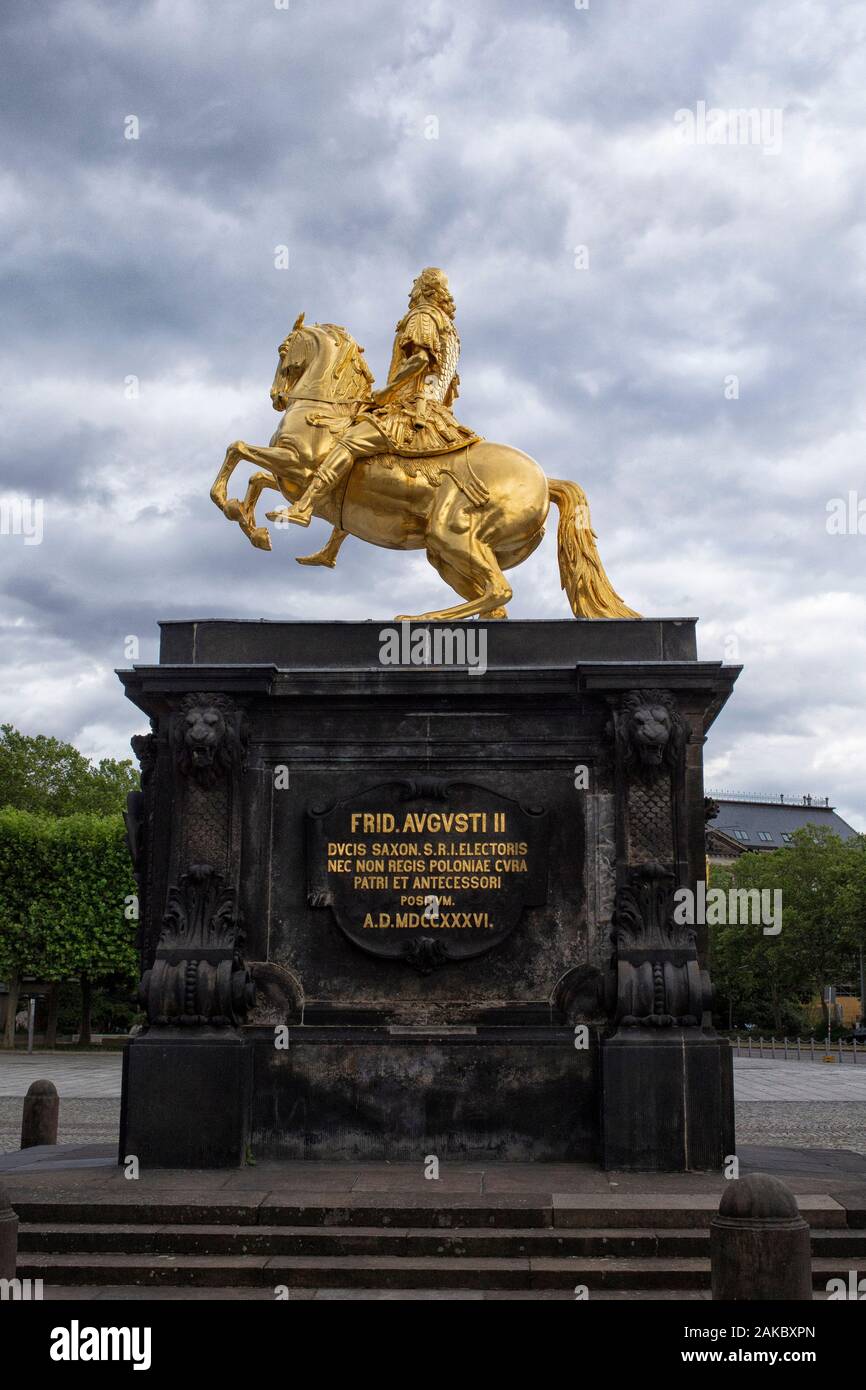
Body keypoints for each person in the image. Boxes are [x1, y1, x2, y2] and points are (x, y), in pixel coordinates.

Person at [284, 267, 484, 526]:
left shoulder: (422, 316)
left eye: (416, 282)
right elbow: (450, 386)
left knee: (347, 444)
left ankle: (304, 506)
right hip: (437, 413)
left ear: (424, 288)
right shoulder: (450, 329)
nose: (411, 288)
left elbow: (421, 360)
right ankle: (332, 546)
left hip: (411, 411)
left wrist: (386, 392)